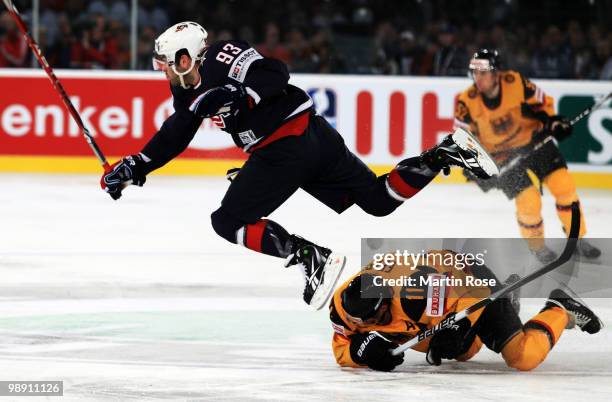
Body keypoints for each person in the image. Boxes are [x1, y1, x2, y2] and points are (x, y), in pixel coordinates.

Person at [100, 22, 497, 310]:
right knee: (377, 200)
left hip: (286, 145)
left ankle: (310, 258)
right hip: (310, 137)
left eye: (166, 63)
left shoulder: (223, 56)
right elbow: (177, 132)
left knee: (228, 221)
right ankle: (444, 154)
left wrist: (243, 97)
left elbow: (275, 73)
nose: (163, 71)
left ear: (186, 58)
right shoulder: (185, 89)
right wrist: (136, 166)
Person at [329, 250, 601, 372]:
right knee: (464, 352)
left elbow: (471, 289)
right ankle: (509, 302)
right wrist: (361, 352)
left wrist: (456, 325)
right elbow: (342, 349)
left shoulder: (414, 289)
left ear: (388, 295)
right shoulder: (342, 309)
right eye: (375, 321)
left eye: (385, 310)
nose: (382, 320)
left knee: (523, 357)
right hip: (435, 310)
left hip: (474, 284)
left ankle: (559, 307)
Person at [454, 49, 600, 263]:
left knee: (564, 187)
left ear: (496, 72)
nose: (479, 77)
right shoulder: (466, 101)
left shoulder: (516, 82)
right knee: (528, 201)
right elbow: (461, 139)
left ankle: (577, 238)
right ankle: (537, 246)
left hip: (535, 142)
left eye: (483, 71)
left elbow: (543, 105)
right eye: (474, 72)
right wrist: (476, 168)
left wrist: (554, 122)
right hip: (502, 158)